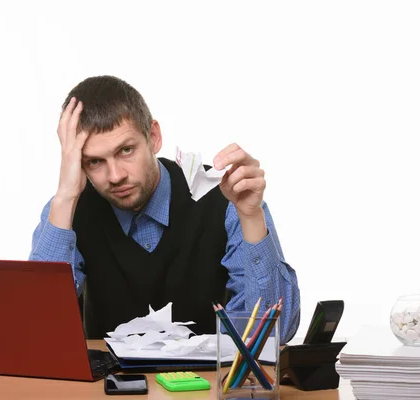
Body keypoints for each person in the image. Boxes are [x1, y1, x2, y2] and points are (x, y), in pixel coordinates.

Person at [29, 75, 300, 342]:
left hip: (205, 384)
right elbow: (36, 329)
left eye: (126, 150)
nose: (115, 176)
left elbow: (275, 333)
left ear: (154, 136)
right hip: (107, 386)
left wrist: (251, 216)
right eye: (94, 162)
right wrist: (64, 196)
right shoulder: (69, 210)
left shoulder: (227, 198)